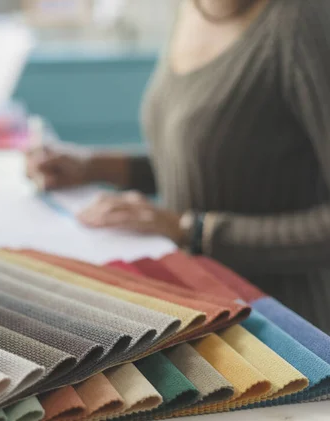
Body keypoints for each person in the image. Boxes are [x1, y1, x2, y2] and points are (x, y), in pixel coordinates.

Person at [26, 0, 330, 333]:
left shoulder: (305, 20)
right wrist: (96, 167)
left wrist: (190, 229)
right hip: (200, 303)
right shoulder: (191, 7)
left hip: (281, 326)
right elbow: (219, 159)